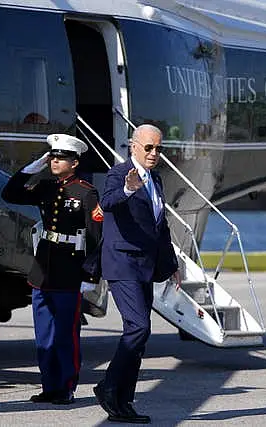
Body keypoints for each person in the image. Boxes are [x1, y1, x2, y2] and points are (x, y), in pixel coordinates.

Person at [1, 134, 103, 405]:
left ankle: (66, 387)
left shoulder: (85, 192)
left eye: (61, 157)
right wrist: (31, 168)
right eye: (52, 157)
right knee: (44, 334)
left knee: (65, 334)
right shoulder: (45, 186)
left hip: (69, 271)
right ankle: (49, 385)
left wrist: (90, 275)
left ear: (75, 162)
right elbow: (9, 193)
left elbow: (95, 237)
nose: (54, 161)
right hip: (42, 270)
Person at [93, 124, 180, 424]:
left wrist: (171, 266)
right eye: (148, 148)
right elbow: (107, 203)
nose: (154, 154)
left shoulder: (155, 178)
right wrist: (129, 188)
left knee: (141, 333)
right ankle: (108, 386)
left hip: (144, 265)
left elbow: (161, 226)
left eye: (158, 148)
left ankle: (122, 401)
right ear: (133, 146)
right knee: (138, 326)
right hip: (122, 263)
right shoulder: (119, 174)